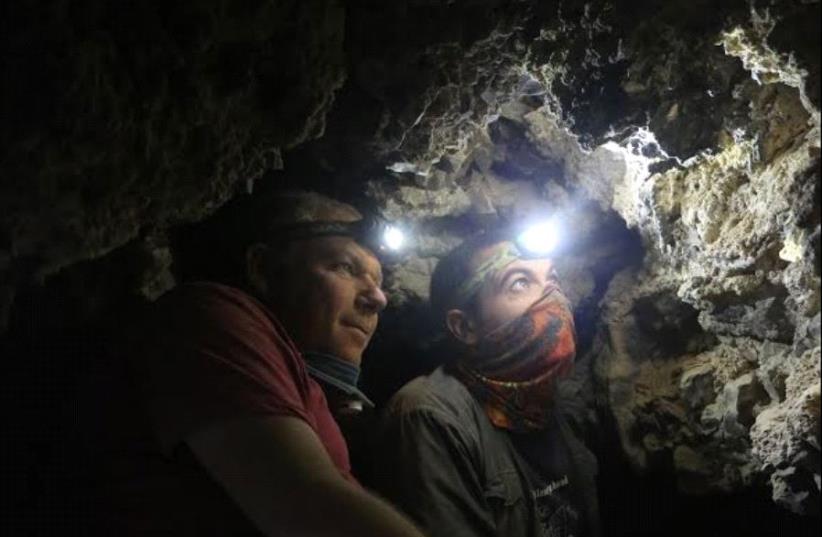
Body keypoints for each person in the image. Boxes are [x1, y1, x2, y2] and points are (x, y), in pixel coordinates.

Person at [93, 190, 426, 537]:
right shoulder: (213, 319)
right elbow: (309, 505)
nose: (378, 298)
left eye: (379, 281)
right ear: (263, 269)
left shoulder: (306, 389)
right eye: (345, 267)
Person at [372, 228, 601, 537]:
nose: (552, 296)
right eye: (520, 283)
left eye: (553, 279)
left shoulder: (553, 407)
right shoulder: (430, 417)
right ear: (465, 326)